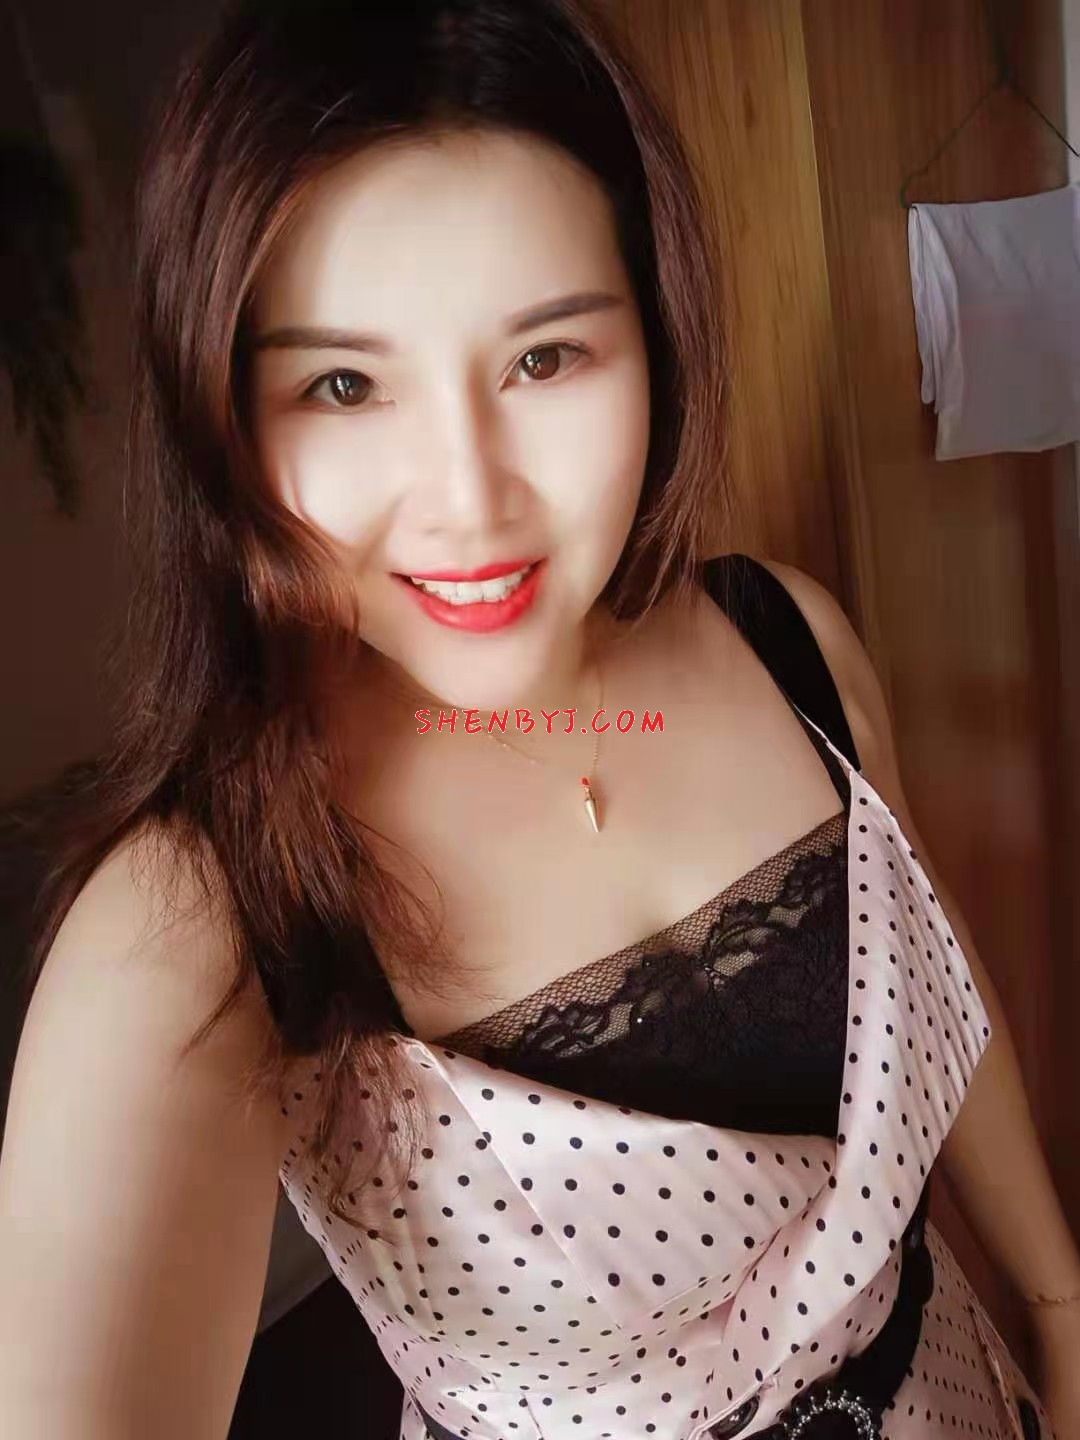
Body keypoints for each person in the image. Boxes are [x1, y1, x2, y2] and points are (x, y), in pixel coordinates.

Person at [0, 1, 1077, 1437]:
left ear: (657, 335)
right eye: (343, 385)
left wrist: (1060, 1299)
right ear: (226, 421)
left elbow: (930, 977)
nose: (470, 498)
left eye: (546, 358)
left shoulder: (784, 636)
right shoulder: (202, 915)